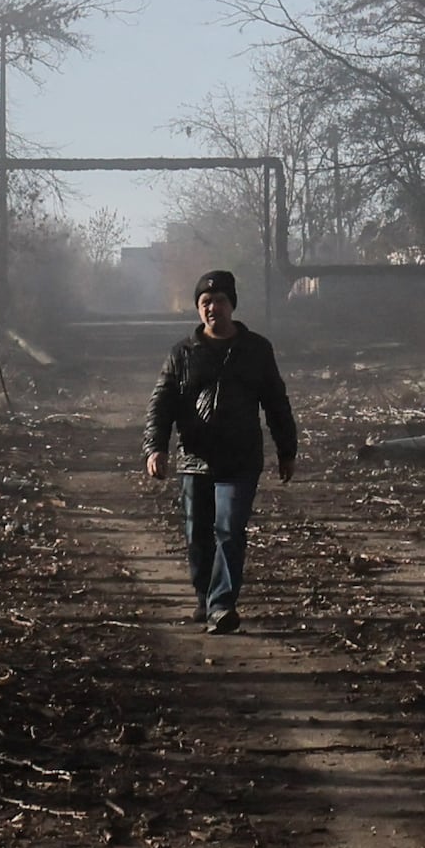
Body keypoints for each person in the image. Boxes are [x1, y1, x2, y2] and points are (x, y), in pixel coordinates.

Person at [142, 268, 298, 632]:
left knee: (229, 530)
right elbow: (161, 403)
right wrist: (155, 447)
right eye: (206, 302)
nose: (213, 308)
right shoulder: (182, 353)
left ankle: (222, 605)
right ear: (198, 308)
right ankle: (205, 596)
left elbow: (276, 402)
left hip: (241, 459)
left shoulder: (256, 350)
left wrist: (287, 450)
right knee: (198, 535)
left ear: (233, 304)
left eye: (220, 300)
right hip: (194, 459)